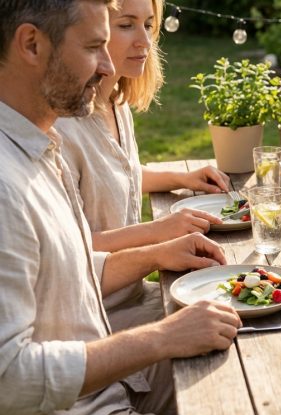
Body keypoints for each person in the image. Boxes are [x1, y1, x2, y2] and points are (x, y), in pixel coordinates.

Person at [0, 1, 241, 415]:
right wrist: (162, 338)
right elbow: (8, 380)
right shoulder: (6, 182)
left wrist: (155, 256)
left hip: (107, 390)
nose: (108, 65)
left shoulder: (39, 146)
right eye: (96, 45)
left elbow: (64, 268)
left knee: (249, 353)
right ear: (31, 45)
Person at [55, 0, 229, 330]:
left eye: (148, 25)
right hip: (97, 315)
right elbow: (68, 246)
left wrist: (183, 177)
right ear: (94, 30)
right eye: (126, 25)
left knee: (236, 295)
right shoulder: (64, 128)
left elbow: (120, 174)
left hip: (134, 294)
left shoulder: (115, 103)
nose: (145, 41)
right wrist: (158, 234)